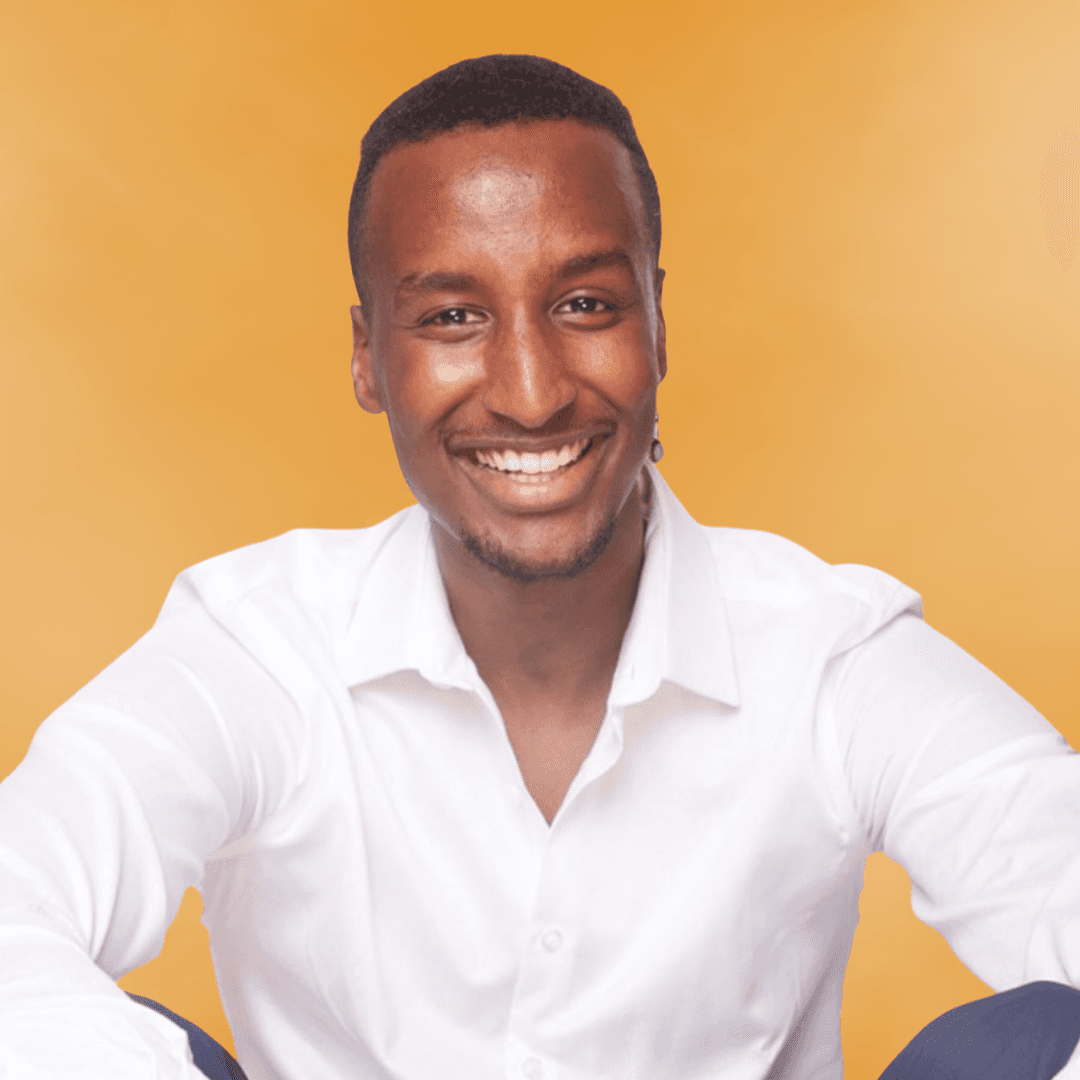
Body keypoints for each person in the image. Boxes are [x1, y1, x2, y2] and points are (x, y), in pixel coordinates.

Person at [0, 53, 1078, 1080]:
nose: (530, 392)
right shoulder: (260, 650)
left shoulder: (828, 655)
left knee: (1025, 1040)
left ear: (658, 325)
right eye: (452, 317)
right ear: (369, 358)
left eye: (585, 305)